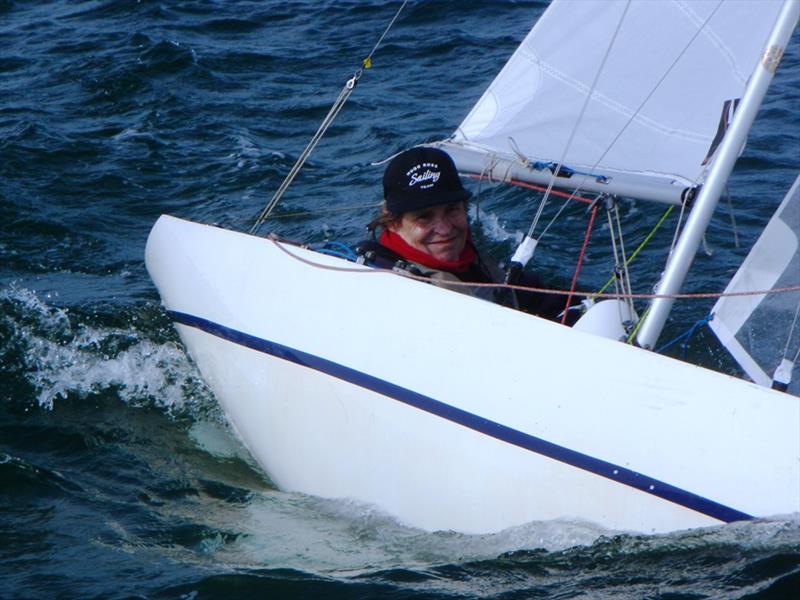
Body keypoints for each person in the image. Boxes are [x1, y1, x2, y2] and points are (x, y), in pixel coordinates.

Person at [357, 146, 570, 322]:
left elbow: (545, 301)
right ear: (392, 223)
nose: (445, 229)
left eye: (452, 210)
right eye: (424, 217)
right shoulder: (385, 292)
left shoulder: (478, 265)